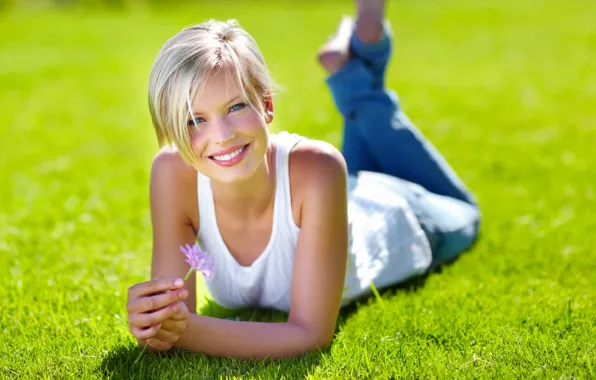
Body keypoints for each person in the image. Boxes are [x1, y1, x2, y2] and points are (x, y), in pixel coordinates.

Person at [125, 0, 481, 360]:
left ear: (266, 105)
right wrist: (155, 320)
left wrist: (183, 330)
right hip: (341, 197)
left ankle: (351, 77)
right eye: (194, 120)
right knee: (358, 131)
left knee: (469, 213)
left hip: (399, 213)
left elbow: (310, 335)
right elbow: (169, 320)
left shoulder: (320, 167)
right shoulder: (172, 172)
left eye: (236, 107)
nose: (222, 135)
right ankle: (356, 60)